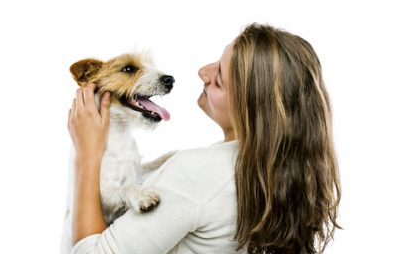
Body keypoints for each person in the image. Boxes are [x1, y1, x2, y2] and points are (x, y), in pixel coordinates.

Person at [67, 23, 341, 254]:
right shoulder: (262, 172)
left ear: (251, 106)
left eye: (219, 77)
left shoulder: (198, 172)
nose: (203, 72)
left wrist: (87, 153)